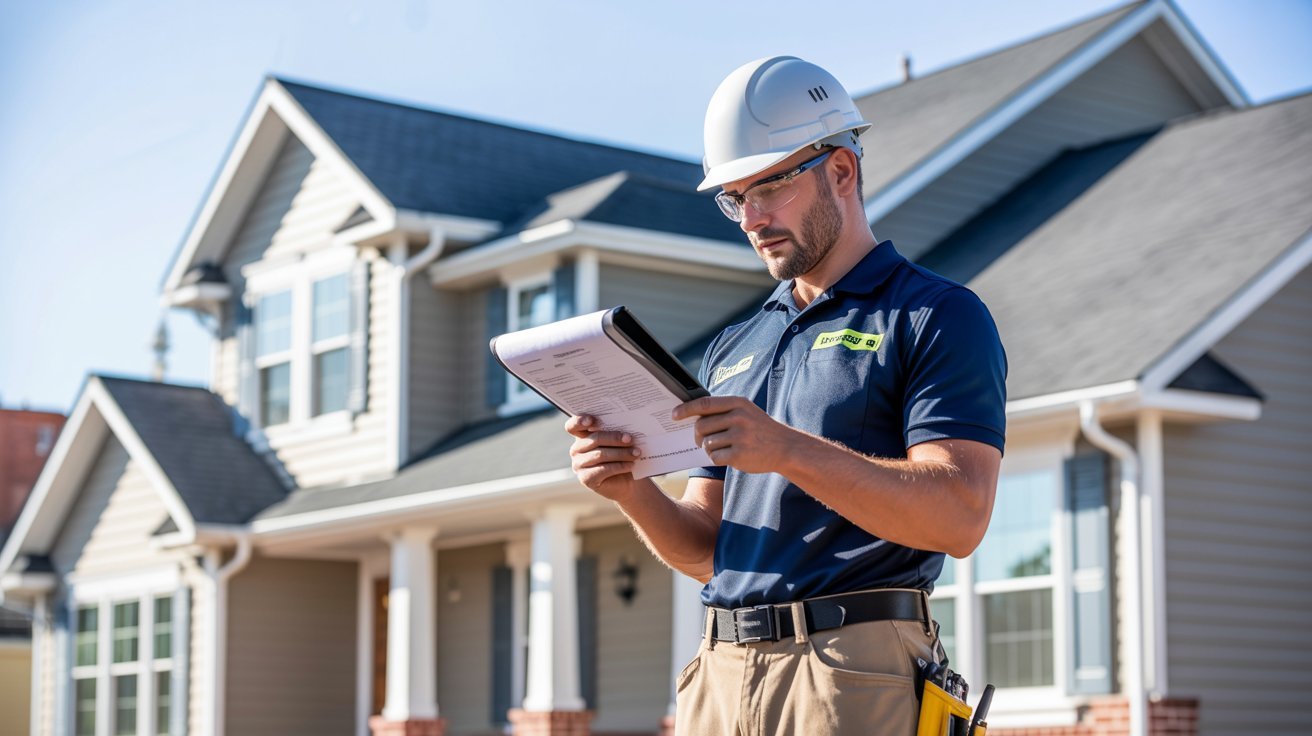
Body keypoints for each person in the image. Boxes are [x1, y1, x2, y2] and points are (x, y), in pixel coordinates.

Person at [566, 56, 1007, 735]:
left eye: (770, 187)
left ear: (841, 171)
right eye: (735, 199)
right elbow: (708, 549)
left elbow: (960, 516)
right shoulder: (734, 347)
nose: (751, 219)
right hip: (719, 671)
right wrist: (629, 489)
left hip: (850, 672)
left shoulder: (933, 315)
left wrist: (786, 450)